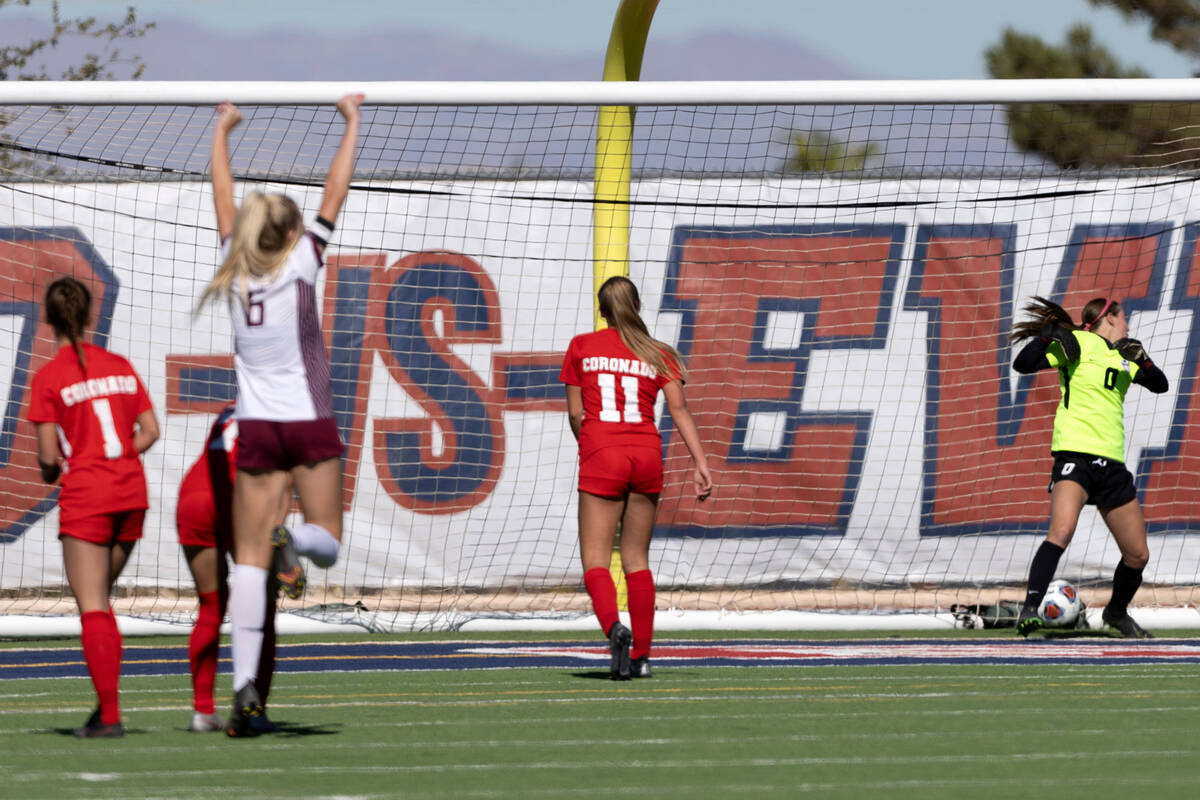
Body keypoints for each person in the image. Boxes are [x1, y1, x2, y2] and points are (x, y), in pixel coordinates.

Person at [199, 93, 363, 736]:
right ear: (294, 235)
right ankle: (292, 539)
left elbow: (221, 188)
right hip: (309, 420)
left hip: (257, 427)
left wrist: (223, 127)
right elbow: (336, 187)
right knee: (324, 544)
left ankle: (243, 691)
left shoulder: (234, 266)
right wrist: (351, 121)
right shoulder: (302, 261)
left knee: (248, 564)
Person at [559, 276, 713, 680]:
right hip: (646, 455)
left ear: (602, 309)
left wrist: (592, 446)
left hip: (602, 454)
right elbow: (679, 410)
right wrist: (701, 463)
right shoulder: (659, 353)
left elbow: (576, 415)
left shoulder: (581, 347)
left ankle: (613, 628)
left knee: (595, 559)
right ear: (639, 305)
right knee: (637, 560)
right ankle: (642, 657)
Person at [27, 276, 160, 738]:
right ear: (89, 317)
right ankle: (105, 709)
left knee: (92, 608)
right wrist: (121, 453)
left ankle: (109, 715)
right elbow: (151, 430)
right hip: (131, 493)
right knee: (101, 602)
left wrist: (60, 467)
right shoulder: (120, 365)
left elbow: (47, 459)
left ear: (48, 320)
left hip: (89, 496)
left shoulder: (48, 377)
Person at [1010, 296, 1168, 639]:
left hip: (1111, 462)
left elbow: (1160, 385)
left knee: (1137, 554)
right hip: (1075, 456)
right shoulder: (1077, 342)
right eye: (1124, 318)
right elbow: (1023, 365)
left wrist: (1145, 361)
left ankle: (1115, 613)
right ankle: (1029, 608)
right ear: (1109, 317)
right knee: (1062, 531)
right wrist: (1046, 338)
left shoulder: (1123, 354)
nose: (1127, 326)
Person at [176, 404, 286, 733]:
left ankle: (203, 711)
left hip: (195, 497)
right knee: (262, 610)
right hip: (239, 496)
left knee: (211, 606)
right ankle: (255, 710)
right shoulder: (285, 414)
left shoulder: (230, 411)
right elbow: (278, 484)